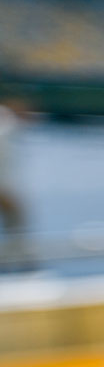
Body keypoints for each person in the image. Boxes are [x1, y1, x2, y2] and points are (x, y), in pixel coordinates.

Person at [0, 98, 28, 271]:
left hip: (7, 185)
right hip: (5, 187)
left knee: (16, 224)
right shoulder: (7, 121)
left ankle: (20, 259)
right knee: (17, 223)